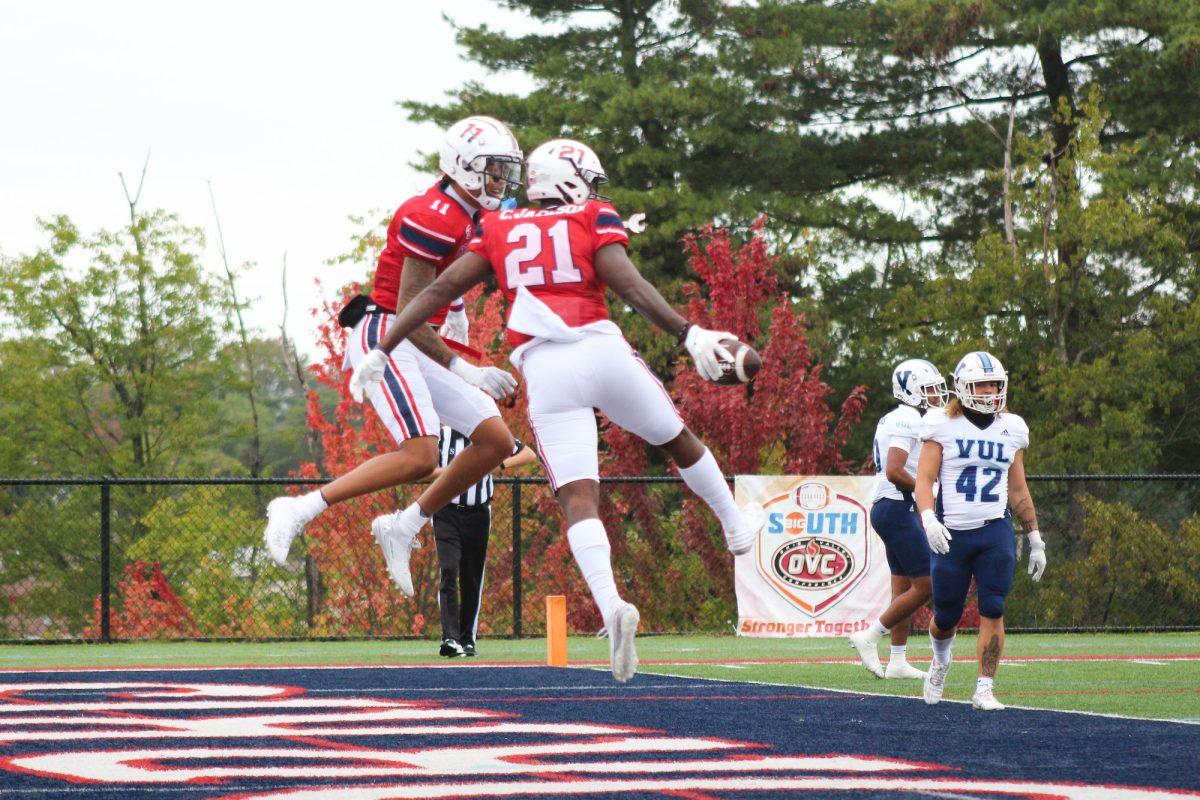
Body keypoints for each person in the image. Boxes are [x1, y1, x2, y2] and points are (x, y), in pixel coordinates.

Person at [352, 138, 766, 682]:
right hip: (600, 349)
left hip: (544, 369)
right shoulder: (593, 215)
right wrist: (689, 333)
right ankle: (734, 526)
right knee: (677, 439)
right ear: (573, 180)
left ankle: (612, 602)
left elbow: (434, 293)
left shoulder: (498, 227)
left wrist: (382, 349)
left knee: (577, 496)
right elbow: (630, 286)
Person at [262, 116, 525, 597]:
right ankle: (298, 508)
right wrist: (465, 368)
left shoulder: (469, 214)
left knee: (494, 442)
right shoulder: (432, 215)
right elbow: (410, 308)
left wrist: (461, 312)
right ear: (465, 168)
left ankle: (403, 526)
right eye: (493, 169)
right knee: (420, 455)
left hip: (417, 334)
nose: (501, 181)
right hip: (387, 332)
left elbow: (451, 273)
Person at [914, 351, 1047, 710]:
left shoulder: (1012, 428)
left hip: (994, 531)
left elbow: (1017, 489)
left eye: (995, 384)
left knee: (994, 606)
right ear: (962, 387)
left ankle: (984, 687)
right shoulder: (941, 423)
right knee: (945, 616)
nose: (989, 391)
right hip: (952, 533)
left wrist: (1034, 536)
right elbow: (923, 480)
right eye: (981, 384)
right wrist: (928, 519)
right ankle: (941, 661)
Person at [849, 359, 948, 680]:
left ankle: (897, 660)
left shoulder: (903, 416)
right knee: (927, 583)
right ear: (911, 391)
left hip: (890, 507)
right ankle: (870, 635)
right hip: (895, 506)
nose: (936, 395)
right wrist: (928, 489)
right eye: (929, 389)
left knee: (903, 585)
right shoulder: (907, 417)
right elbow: (894, 470)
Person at [431, 425, 537, 657]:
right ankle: (450, 638)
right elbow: (425, 471)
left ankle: (467, 639)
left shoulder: (489, 435)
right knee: (448, 569)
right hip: (445, 510)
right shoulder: (442, 436)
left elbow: (528, 453)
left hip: (478, 513)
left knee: (472, 576)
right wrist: (456, 471)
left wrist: (499, 464)